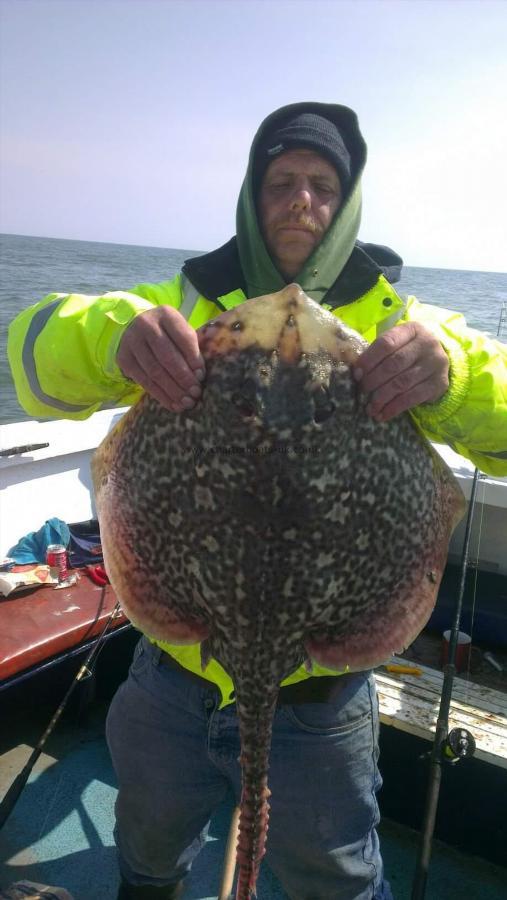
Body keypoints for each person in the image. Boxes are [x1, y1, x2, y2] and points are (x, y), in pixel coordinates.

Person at [7, 102, 507, 900]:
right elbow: (30, 353)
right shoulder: (182, 298)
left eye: (320, 184)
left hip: (322, 693)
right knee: (148, 846)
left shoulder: (406, 324)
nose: (300, 200)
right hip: (172, 678)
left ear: (345, 203)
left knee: (333, 877)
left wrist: (450, 382)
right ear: (252, 192)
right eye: (281, 181)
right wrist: (112, 337)